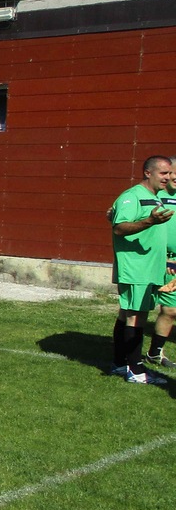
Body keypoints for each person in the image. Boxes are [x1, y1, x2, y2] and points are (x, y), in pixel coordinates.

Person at [109, 155, 173, 384]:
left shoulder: (155, 197)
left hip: (150, 266)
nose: (168, 177)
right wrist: (149, 222)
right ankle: (136, 371)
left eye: (170, 173)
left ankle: (119, 364)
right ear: (148, 173)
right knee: (136, 316)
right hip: (136, 266)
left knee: (128, 314)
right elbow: (119, 227)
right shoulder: (132, 196)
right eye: (164, 173)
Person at [144, 161, 176, 368]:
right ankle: (124, 353)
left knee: (171, 310)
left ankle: (154, 353)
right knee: (137, 309)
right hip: (151, 259)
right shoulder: (153, 195)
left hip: (174, 264)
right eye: (171, 173)